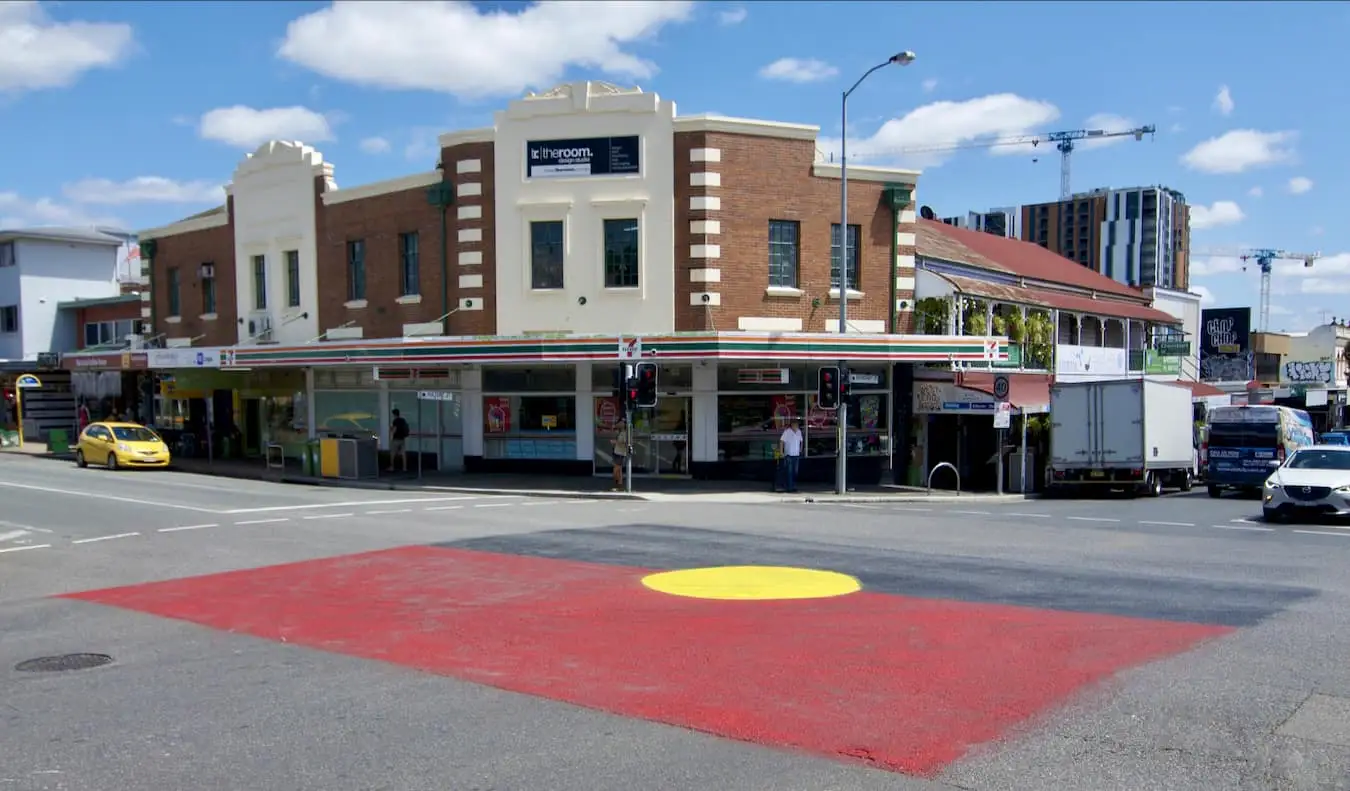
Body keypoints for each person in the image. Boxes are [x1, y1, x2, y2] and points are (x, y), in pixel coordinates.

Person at [779, 417, 803, 493]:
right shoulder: (787, 432)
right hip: (789, 455)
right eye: (795, 424)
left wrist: (801, 449)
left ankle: (792, 485)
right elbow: (781, 441)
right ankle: (789, 487)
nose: (796, 426)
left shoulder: (799, 432)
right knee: (789, 471)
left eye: (797, 425)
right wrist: (781, 452)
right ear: (792, 425)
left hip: (796, 454)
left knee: (795, 472)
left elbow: (801, 441)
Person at [612, 419, 629, 491]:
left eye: (621, 423)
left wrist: (616, 442)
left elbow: (625, 443)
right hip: (617, 452)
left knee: (616, 470)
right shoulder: (620, 432)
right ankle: (619, 486)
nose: (620, 424)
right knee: (619, 470)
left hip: (621, 453)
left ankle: (618, 485)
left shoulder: (625, 433)